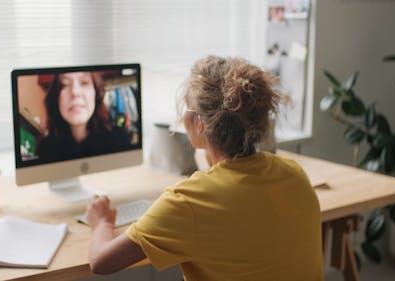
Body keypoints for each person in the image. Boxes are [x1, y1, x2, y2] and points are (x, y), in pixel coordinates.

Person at [85, 55, 323, 281]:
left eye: (187, 107)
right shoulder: (293, 174)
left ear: (199, 123)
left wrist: (102, 222)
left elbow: (101, 262)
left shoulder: (190, 201)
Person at [37, 71, 132, 160]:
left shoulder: (120, 141)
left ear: (96, 94)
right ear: (56, 98)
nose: (75, 92)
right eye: (65, 84)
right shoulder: (46, 151)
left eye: (84, 83)